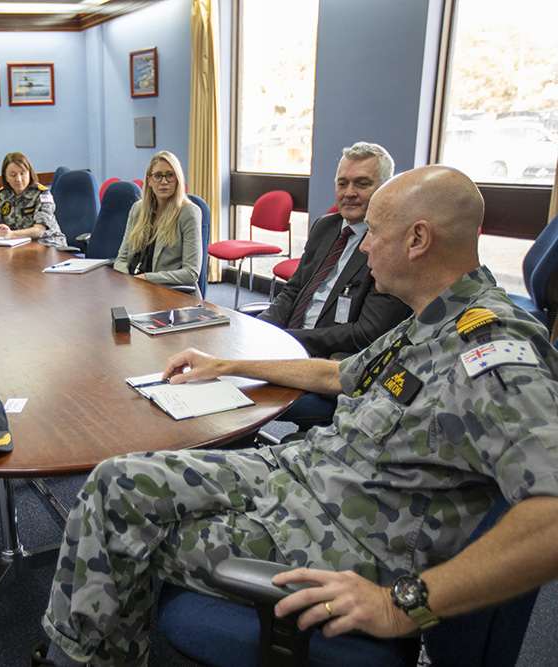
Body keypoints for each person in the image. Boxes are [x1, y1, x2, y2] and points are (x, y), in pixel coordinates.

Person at [38, 165, 558, 667]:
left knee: (117, 533)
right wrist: (229, 363)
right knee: (115, 482)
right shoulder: (435, 316)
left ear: (418, 240)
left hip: (342, 534)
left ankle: (76, 660)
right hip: (304, 474)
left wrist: (402, 605)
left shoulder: (494, 349)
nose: (366, 244)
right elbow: (340, 375)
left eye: (374, 232)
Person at [258, 142, 411, 430]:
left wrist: (289, 340)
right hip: (288, 348)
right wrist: (262, 329)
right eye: (343, 183)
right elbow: (293, 291)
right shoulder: (325, 227)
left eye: (362, 183)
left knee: (241, 394)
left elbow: (366, 333)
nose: (349, 192)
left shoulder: (390, 248)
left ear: (385, 188)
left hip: (333, 367)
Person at [112, 151, 202, 296]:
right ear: (149, 180)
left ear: (178, 179)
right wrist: (127, 281)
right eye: (158, 176)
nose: (164, 181)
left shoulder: (189, 213)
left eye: (170, 175)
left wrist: (147, 278)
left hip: (171, 294)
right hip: (136, 290)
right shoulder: (138, 209)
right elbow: (122, 259)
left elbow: (191, 273)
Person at [0, 152, 68, 247]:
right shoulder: (3, 195)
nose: (18, 179)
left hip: (49, 245)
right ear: (6, 177)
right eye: (13, 175)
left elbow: (39, 231)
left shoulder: (42, 194)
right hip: (21, 245)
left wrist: (11, 234)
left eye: (22, 174)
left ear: (29, 173)